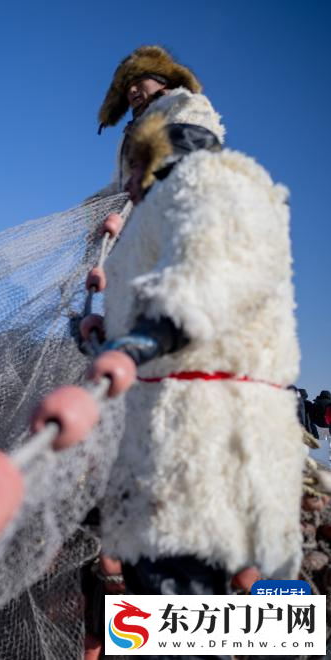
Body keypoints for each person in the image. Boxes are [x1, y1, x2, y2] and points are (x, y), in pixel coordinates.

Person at [95, 113, 302, 607]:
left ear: (152, 162)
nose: (125, 184)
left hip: (194, 435)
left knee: (171, 592)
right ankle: (295, 638)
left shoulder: (197, 183)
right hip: (220, 426)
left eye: (133, 169)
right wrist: (106, 334)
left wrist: (134, 345)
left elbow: (200, 285)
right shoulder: (197, 203)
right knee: (229, 573)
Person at [94, 45, 224, 196]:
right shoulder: (129, 131)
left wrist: (144, 182)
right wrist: (95, 204)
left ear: (162, 81)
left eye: (138, 81)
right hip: (141, 213)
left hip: (181, 200)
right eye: (127, 88)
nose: (131, 90)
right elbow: (123, 183)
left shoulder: (184, 102)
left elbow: (190, 153)